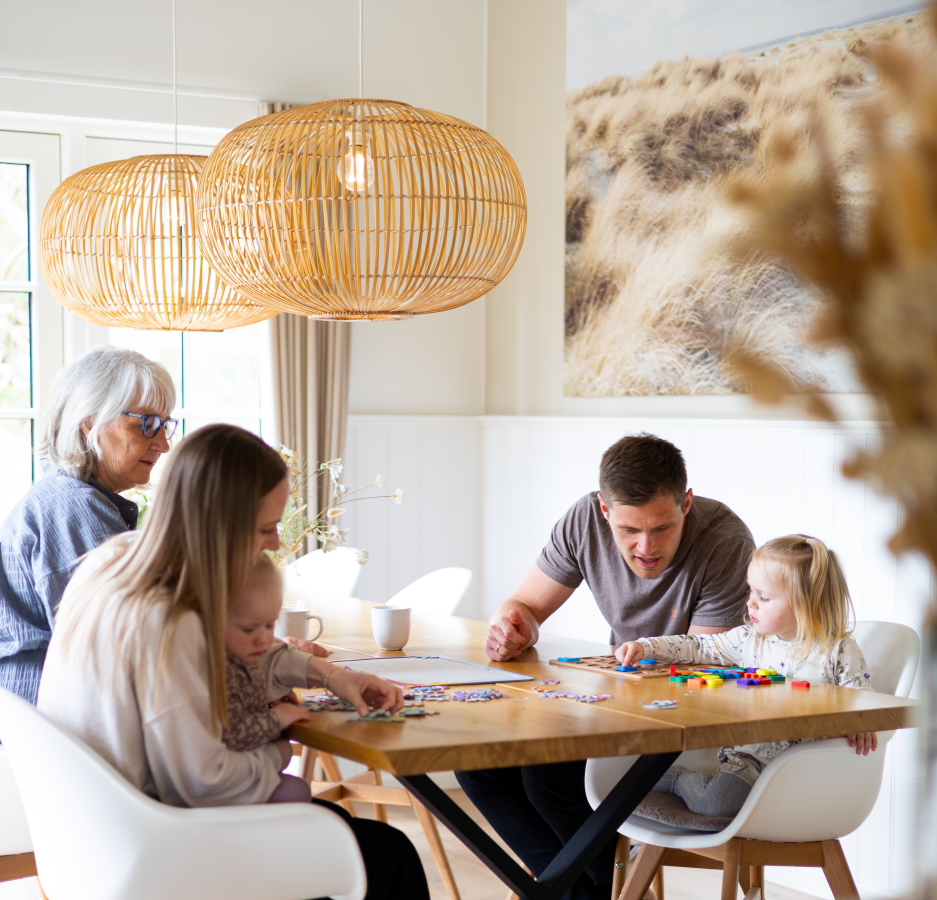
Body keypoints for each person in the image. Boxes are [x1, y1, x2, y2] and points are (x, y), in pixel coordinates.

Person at [38, 424, 430, 900]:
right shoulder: (168, 620)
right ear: (219, 524)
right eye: (266, 529)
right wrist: (281, 750)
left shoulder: (114, 562)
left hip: (86, 846)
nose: (275, 545)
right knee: (389, 857)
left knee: (342, 830)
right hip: (159, 856)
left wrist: (331, 674)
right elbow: (204, 785)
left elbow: (231, 658)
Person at [459, 433, 755, 900]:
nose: (645, 547)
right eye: (628, 530)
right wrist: (513, 626)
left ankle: (584, 889)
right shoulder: (583, 521)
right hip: (616, 706)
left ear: (687, 503)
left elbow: (702, 673)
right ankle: (582, 890)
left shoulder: (725, 539)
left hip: (693, 725)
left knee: (548, 774)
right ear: (603, 510)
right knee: (477, 763)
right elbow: (525, 606)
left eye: (661, 528)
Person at [616, 534, 876, 817]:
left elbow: (863, 702)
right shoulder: (749, 640)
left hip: (807, 769)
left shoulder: (838, 650)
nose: (750, 603)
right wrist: (647, 646)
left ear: (806, 602)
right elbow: (698, 647)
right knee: (715, 805)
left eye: (763, 597)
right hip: (750, 761)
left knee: (732, 805)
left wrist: (861, 721)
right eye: (751, 591)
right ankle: (677, 779)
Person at [0, 346, 175, 703]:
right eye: (147, 424)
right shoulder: (73, 508)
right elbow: (130, 643)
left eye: (165, 424)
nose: (164, 444)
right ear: (91, 422)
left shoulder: (69, 498)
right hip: (56, 735)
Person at [222, 553, 315, 804]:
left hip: (252, 769)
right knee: (298, 792)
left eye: (269, 625)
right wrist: (278, 718)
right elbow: (235, 734)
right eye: (249, 628)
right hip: (229, 788)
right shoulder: (224, 670)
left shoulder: (245, 657)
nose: (263, 639)